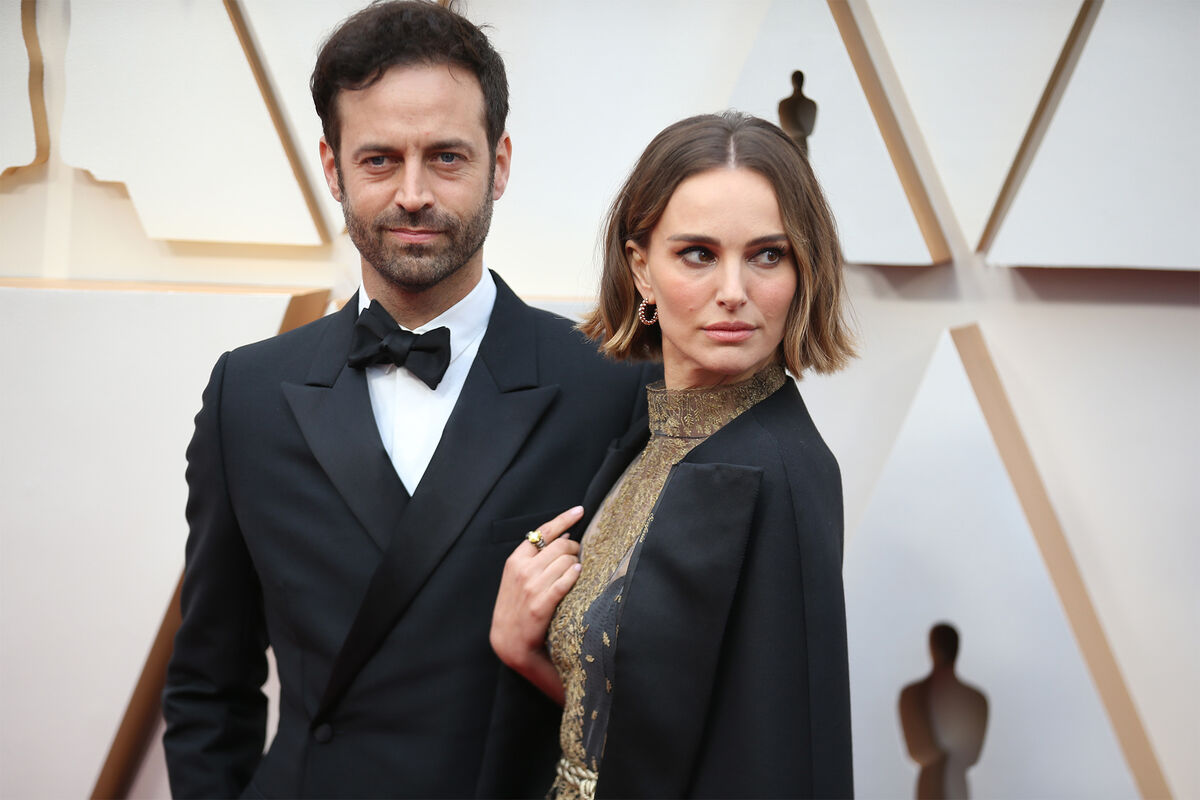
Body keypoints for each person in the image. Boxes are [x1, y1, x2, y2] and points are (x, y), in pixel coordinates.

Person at [161, 2, 651, 797]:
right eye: (380, 159)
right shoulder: (244, 396)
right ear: (333, 169)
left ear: (499, 164)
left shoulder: (612, 385)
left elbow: (652, 677)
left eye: (447, 157)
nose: (413, 194)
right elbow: (209, 687)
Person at [490, 110, 857, 798]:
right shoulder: (652, 433)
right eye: (698, 254)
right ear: (642, 269)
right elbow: (644, 726)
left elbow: (776, 763)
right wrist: (524, 650)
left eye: (767, 255)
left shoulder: (777, 472)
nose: (734, 292)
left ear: (803, 270)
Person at [899, 623, 989, 799]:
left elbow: (971, 754)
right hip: (935, 785)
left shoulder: (911, 695)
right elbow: (917, 751)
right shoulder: (976, 699)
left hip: (948, 784)